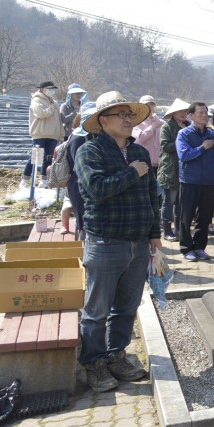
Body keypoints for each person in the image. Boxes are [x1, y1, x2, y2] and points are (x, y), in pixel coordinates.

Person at [74, 91, 159, 392]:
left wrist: (155, 239)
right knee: (97, 310)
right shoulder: (89, 152)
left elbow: (152, 198)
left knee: (126, 307)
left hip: (138, 243)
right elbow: (96, 190)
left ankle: (116, 355)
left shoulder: (140, 152)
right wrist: (131, 173)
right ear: (102, 121)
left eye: (129, 114)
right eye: (120, 115)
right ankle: (94, 362)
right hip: (105, 242)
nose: (127, 119)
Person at [176, 101, 214, 261]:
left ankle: (200, 247)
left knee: (205, 217)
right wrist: (202, 147)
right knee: (186, 217)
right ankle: (186, 248)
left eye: (205, 112)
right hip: (189, 181)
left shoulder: (212, 134)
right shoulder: (184, 134)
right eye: (200, 112)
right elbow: (184, 155)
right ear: (191, 115)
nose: (204, 115)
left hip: (208, 181)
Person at [63, 102, 97, 239]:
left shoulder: (89, 136)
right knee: (83, 219)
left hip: (83, 183)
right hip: (78, 184)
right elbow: (79, 167)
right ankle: (83, 250)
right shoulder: (78, 138)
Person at [157, 98, 189, 242]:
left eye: (185, 111)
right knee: (168, 201)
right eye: (181, 111)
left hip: (184, 168)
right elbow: (165, 146)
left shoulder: (188, 125)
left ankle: (178, 229)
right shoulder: (167, 127)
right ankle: (167, 230)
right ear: (174, 113)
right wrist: (180, 140)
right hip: (170, 168)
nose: (184, 114)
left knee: (180, 202)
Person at [22, 80, 63, 188]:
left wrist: (60, 134)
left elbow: (58, 120)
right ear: (42, 89)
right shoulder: (36, 100)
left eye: (53, 89)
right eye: (49, 89)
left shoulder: (54, 102)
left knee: (49, 158)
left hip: (52, 135)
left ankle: (44, 180)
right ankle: (25, 180)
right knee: (36, 157)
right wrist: (51, 108)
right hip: (40, 134)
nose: (51, 91)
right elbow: (41, 114)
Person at [131, 95, 163, 170]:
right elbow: (138, 139)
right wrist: (152, 127)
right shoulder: (137, 122)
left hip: (160, 164)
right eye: (146, 105)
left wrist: (156, 122)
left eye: (151, 105)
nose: (149, 107)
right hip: (144, 163)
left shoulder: (161, 122)